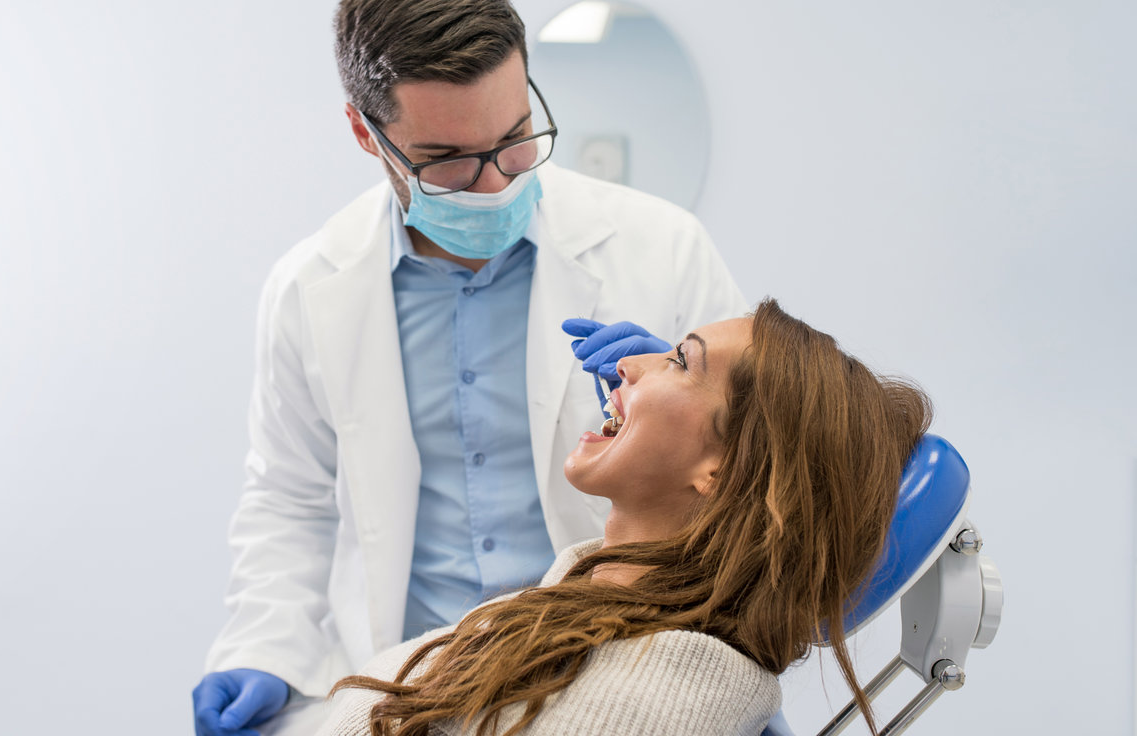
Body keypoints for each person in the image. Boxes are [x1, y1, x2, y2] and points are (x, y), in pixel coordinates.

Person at [194, 0, 747, 736]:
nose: (496, 184)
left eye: (515, 138)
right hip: (411, 685)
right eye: (448, 163)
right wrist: (264, 647)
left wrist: (700, 407)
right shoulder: (307, 290)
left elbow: (758, 478)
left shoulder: (663, 248)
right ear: (365, 134)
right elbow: (290, 496)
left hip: (615, 671)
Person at [318, 299, 932, 736]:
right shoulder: (573, 609)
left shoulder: (651, 695)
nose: (627, 365)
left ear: (723, 468)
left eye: (678, 361)